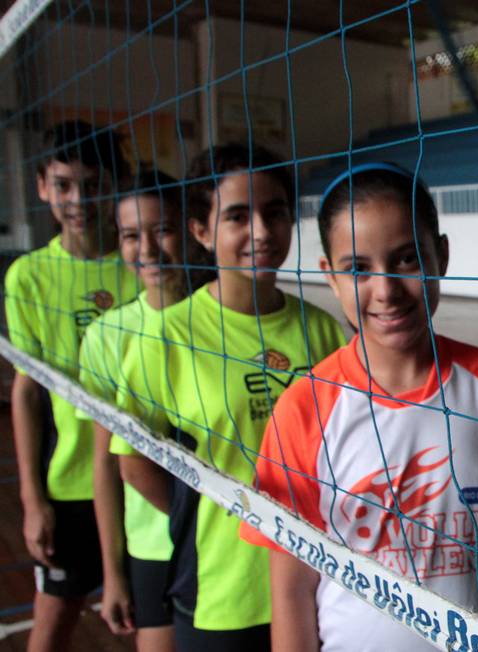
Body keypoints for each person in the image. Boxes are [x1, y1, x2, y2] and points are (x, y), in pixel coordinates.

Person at [238, 163, 478, 652]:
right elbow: (291, 587)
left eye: (405, 259)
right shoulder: (304, 407)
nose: (385, 291)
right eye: (358, 268)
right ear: (330, 278)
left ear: (440, 254)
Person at [123, 144, 345, 651]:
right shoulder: (166, 338)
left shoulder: (324, 332)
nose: (262, 232)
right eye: (239, 216)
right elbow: (134, 465)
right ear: (201, 231)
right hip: (223, 589)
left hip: (321, 580)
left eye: (275, 212)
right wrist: (219, 514)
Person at [5, 120, 137, 652]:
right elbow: (27, 392)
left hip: (140, 478)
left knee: (153, 619)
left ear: (114, 185)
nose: (78, 199)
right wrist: (31, 497)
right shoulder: (28, 277)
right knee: (55, 620)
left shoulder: (142, 265)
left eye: (93, 183)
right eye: (63, 185)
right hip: (71, 484)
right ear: (41, 187)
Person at [78, 168, 210, 650]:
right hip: (153, 545)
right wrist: (113, 574)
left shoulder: (220, 320)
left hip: (226, 541)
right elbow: (106, 464)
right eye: (132, 235)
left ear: (193, 231)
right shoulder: (105, 336)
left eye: (163, 230)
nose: (148, 249)